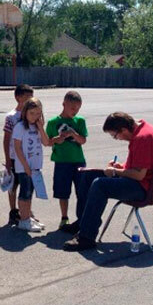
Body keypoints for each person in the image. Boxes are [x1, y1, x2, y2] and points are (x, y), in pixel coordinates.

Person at [64, 112, 153, 252]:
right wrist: (119, 167)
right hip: (142, 182)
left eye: (115, 136)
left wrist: (115, 172)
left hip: (145, 188)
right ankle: (83, 222)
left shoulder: (143, 138)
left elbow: (139, 175)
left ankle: (86, 237)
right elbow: (137, 166)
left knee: (100, 185)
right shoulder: (140, 130)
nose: (118, 139)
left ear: (123, 130)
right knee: (88, 175)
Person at [46, 90, 88, 230]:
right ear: (64, 104)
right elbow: (47, 142)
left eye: (77, 109)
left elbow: (82, 141)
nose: (75, 111)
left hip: (78, 161)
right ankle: (64, 217)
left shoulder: (79, 121)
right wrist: (58, 139)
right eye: (72, 108)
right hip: (62, 161)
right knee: (62, 191)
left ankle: (81, 219)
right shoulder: (53, 122)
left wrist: (73, 134)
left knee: (82, 191)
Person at [12, 98, 51, 232]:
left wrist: (41, 127)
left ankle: (27, 217)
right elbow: (17, 148)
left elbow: (46, 142)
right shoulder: (20, 127)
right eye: (32, 113)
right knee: (25, 193)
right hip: (24, 167)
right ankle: (23, 220)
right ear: (25, 112)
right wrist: (26, 166)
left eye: (38, 114)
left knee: (30, 193)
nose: (35, 117)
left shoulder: (37, 126)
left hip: (35, 167)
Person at [2, 84, 35, 225]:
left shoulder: (32, 117)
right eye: (26, 98)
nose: (29, 101)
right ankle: (13, 211)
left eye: (31, 98)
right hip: (14, 157)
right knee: (12, 185)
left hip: (29, 158)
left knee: (28, 186)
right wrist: (8, 159)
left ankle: (27, 212)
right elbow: (6, 139)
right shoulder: (11, 117)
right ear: (18, 98)